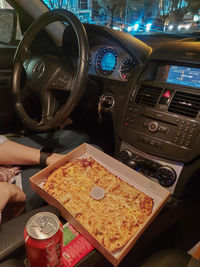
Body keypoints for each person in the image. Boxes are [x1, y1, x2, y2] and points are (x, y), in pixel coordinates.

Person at [0, 130, 89, 222]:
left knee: (77, 137)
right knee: (94, 149)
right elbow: (17, 195)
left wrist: (46, 157)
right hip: (13, 200)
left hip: (5, 163)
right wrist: (7, 192)